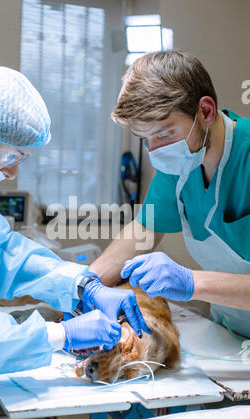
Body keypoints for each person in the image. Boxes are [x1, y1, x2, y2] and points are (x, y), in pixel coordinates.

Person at [0, 66, 150, 419]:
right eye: (9, 156)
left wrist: (82, 285)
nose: (11, 175)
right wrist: (60, 335)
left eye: (20, 160)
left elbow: (3, 252)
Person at [90, 50, 250, 340]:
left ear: (205, 111)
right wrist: (86, 284)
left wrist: (191, 282)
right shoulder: (181, 164)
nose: (155, 150)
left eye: (164, 134)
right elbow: (142, 231)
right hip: (232, 333)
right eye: (145, 139)